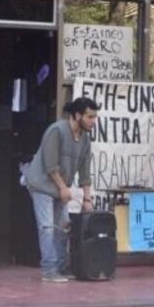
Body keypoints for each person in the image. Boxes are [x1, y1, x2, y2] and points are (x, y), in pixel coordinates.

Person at [24, 97, 99, 283]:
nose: (93, 121)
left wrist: (87, 199)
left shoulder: (85, 140)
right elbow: (51, 165)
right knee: (47, 227)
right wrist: (63, 188)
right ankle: (49, 271)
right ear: (78, 115)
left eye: (94, 117)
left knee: (63, 228)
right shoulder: (56, 131)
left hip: (60, 188)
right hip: (42, 185)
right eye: (90, 117)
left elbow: (85, 172)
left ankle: (62, 267)